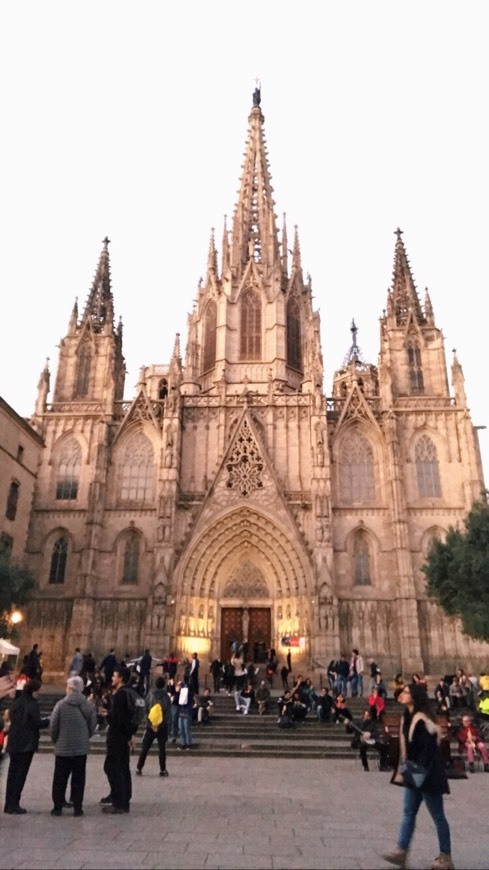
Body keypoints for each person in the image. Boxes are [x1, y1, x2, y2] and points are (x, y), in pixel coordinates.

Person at [383, 682, 453, 870]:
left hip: (427, 776)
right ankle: (401, 851)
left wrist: (416, 774)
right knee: (408, 812)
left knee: (438, 815)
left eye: (406, 692)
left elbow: (428, 752)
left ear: (414, 696)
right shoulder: (408, 716)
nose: (402, 694)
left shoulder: (422, 721)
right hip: (414, 773)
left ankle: (445, 856)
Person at [49, 675, 97, 816]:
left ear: (70, 688)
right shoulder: (87, 705)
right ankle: (77, 807)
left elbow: (53, 726)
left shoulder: (60, 705)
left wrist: (56, 740)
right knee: (78, 778)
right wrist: (85, 736)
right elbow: (93, 724)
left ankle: (57, 806)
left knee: (60, 778)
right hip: (80, 748)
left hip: (63, 748)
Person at [4, 678, 50, 814]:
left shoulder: (17, 702)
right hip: (26, 744)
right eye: (38, 691)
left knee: (12, 774)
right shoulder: (32, 704)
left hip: (14, 742)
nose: (39, 693)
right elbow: (35, 722)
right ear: (33, 690)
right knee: (20, 774)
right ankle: (15, 804)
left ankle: (8, 803)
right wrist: (48, 721)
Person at [99, 667, 134, 814]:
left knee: (112, 767)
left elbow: (118, 719)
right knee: (122, 767)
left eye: (114, 675)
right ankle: (123, 798)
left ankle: (119, 802)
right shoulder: (126, 693)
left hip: (117, 737)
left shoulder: (120, 695)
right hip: (123, 736)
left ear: (120, 678)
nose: (112, 678)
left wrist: (106, 714)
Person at [136, 675, 171, 776]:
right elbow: (168, 714)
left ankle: (139, 768)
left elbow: (145, 710)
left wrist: (150, 724)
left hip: (150, 726)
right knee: (162, 749)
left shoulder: (149, 695)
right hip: (162, 727)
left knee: (145, 748)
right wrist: (160, 725)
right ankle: (162, 770)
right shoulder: (166, 697)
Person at [177, 677, 194, 749]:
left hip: (187, 711)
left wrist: (182, 685)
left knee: (186, 728)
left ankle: (188, 743)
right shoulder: (181, 694)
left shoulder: (189, 694)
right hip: (181, 711)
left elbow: (187, 692)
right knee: (181, 728)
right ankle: (183, 743)